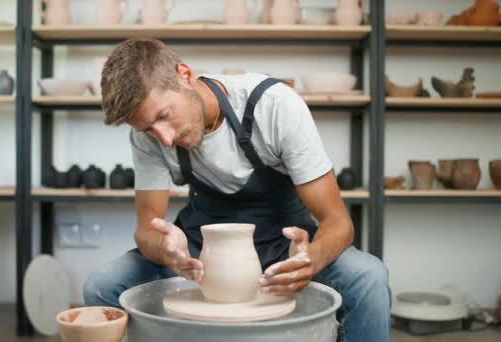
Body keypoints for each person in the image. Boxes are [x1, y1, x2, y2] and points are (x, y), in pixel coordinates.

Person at [83, 38, 391, 342]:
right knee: (102, 285)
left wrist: (311, 259)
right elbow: (146, 231)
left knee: (368, 277)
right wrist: (167, 251)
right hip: (201, 250)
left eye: (163, 116)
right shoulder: (148, 138)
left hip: (283, 244)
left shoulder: (274, 106)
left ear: (185, 75)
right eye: (148, 128)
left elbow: (339, 222)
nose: (163, 138)